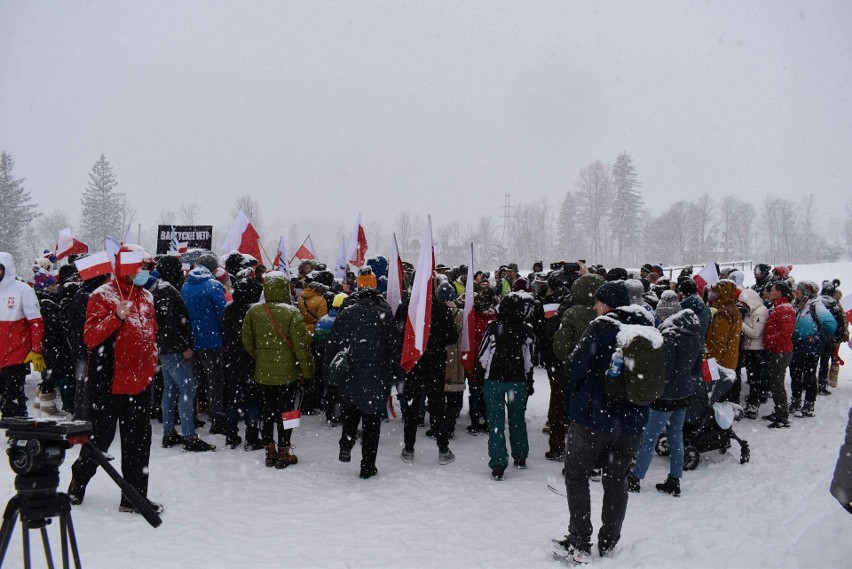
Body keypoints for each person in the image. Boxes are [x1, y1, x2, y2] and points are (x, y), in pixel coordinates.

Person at [556, 282, 651, 562]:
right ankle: (609, 543)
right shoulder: (648, 326)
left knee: (576, 476)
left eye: (598, 302)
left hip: (592, 419)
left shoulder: (602, 328)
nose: (595, 307)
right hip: (632, 422)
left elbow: (574, 367)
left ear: (608, 304)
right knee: (616, 481)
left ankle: (580, 542)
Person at [68, 245, 163, 514]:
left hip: (139, 383)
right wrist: (115, 317)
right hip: (108, 382)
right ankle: (78, 481)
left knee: (138, 442)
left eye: (148, 268)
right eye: (142, 267)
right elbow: (90, 337)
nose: (146, 272)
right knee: (99, 440)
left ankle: (133, 497)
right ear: (128, 267)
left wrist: (151, 360)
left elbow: (151, 333)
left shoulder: (147, 298)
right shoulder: (102, 295)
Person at [326, 288, 402, 479]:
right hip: (376, 376)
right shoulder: (384, 316)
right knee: (372, 422)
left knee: (351, 411)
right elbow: (395, 348)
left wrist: (328, 374)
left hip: (349, 374)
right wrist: (400, 375)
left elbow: (331, 345)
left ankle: (346, 443)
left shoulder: (345, 314)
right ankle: (367, 465)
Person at [242, 271, 314, 469]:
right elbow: (301, 347)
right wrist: (307, 373)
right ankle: (284, 450)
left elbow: (247, 341)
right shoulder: (292, 313)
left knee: (267, 412)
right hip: (287, 374)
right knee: (288, 413)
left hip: (263, 373)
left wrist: (261, 356)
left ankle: (269, 451)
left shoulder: (254, 312)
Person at [628, 308, 702, 497]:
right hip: (684, 394)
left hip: (665, 396)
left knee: (650, 438)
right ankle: (674, 479)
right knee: (676, 436)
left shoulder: (671, 338)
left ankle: (636, 478)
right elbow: (696, 369)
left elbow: (664, 369)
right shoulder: (696, 338)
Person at [152, 256, 215, 452]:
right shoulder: (166, 291)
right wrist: (184, 345)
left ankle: (170, 433)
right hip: (173, 349)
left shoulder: (158, 288)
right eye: (178, 268)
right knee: (187, 390)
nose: (182, 271)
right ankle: (189, 436)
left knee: (170, 390)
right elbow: (169, 323)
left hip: (164, 348)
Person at [477, 293, 536, 480]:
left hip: (494, 379)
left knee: (496, 422)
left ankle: (498, 463)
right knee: (517, 418)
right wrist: (528, 380)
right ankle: (520, 455)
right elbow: (529, 361)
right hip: (517, 381)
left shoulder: (493, 328)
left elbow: (483, 356)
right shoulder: (527, 331)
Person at [398, 284, 459, 465]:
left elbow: (398, 331)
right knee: (437, 405)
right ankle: (443, 448)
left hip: (415, 362)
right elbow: (452, 336)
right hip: (434, 362)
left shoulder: (408, 306)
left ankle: (409, 448)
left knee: (412, 405)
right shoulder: (440, 307)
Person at [549, 274, 604, 461]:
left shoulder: (572, 313)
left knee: (559, 407)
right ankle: (592, 453)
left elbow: (560, 348)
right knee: (591, 413)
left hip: (571, 370)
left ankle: (559, 446)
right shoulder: (606, 312)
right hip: (597, 372)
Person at [181, 254, 228, 434]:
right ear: (213, 269)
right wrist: (225, 337)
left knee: (193, 381)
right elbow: (221, 314)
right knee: (215, 381)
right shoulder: (214, 285)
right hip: (212, 340)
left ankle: (191, 417)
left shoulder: (186, 285)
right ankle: (217, 419)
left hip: (193, 340)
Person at [0, 252, 45, 417]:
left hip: (15, 355)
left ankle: (18, 434)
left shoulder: (23, 290)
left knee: (13, 400)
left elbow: (36, 322)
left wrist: (36, 349)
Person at [223, 274, 265, 449]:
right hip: (251, 358)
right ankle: (252, 436)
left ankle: (231, 434)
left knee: (232, 398)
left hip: (231, 359)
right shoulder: (256, 312)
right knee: (252, 399)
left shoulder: (229, 308)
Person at [789, 281, 836, 418]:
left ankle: (809, 404)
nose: (796, 294)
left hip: (811, 349)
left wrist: (817, 337)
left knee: (809, 377)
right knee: (795, 375)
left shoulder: (817, 306)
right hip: (797, 346)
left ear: (806, 293)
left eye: (798, 291)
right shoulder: (798, 305)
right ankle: (796, 400)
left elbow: (831, 325)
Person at [762, 282, 797, 428]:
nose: (770, 292)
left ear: (779, 292)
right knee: (775, 383)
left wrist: (769, 341)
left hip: (781, 351)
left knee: (777, 384)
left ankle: (782, 417)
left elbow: (785, 333)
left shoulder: (784, 309)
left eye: (773, 290)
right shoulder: (780, 307)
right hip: (778, 351)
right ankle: (779, 411)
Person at [705, 280, 743, 401]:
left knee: (713, 397)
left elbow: (719, 342)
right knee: (723, 397)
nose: (712, 293)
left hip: (718, 363)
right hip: (730, 359)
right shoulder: (735, 311)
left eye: (715, 291)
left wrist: (709, 362)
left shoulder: (723, 313)